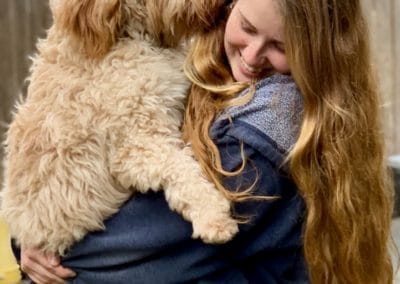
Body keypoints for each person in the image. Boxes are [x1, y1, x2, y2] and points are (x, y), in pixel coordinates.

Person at [17, 0, 395, 283]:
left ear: (318, 56)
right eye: (247, 26)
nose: (251, 56)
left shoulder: (267, 130)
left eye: (280, 46)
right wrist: (31, 237)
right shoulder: (200, 53)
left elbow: (129, 257)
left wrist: (45, 244)